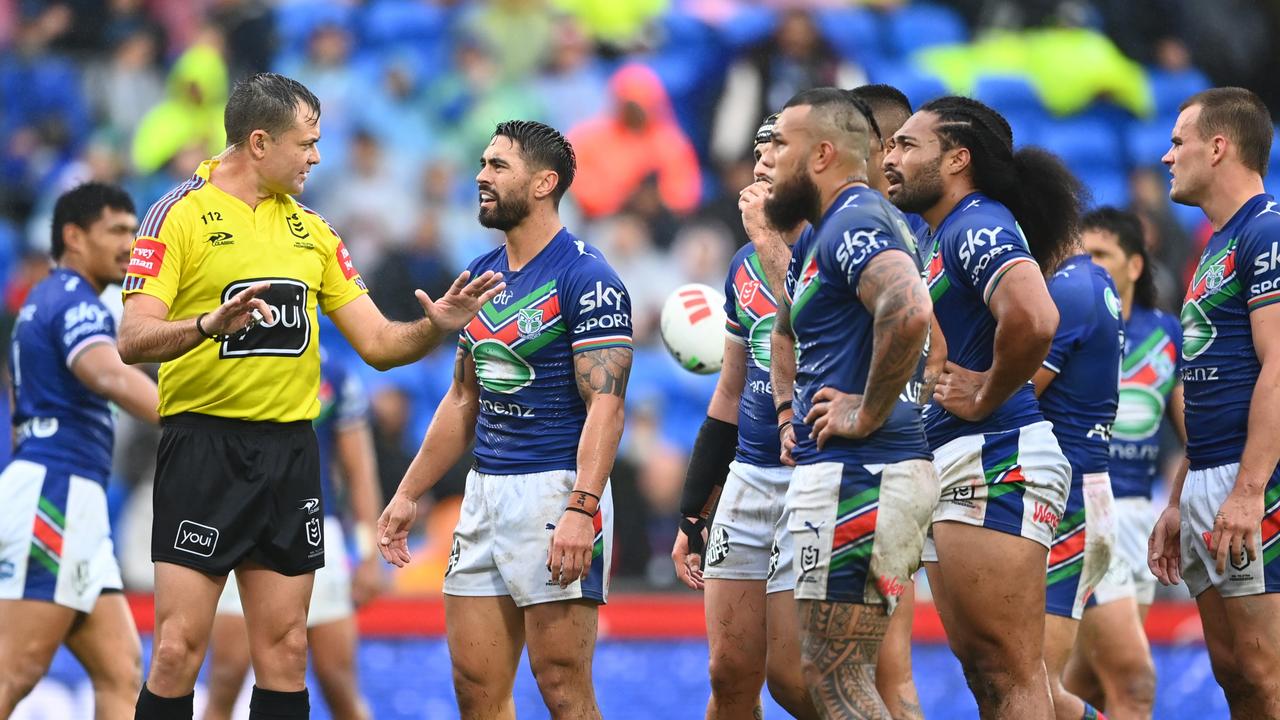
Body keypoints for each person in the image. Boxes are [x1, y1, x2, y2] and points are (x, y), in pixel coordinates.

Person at [117, 72, 502, 720]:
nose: (317, 156)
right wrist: (208, 325)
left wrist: (434, 329)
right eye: (308, 142)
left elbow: (379, 343)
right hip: (204, 448)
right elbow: (132, 338)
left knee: (288, 649)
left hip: (289, 454)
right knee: (179, 649)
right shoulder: (177, 215)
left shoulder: (313, 231)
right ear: (260, 142)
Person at [377, 120, 632, 720]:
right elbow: (463, 400)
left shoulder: (587, 277)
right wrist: (409, 493)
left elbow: (607, 406)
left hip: (554, 491)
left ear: (545, 183)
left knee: (563, 687)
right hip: (484, 492)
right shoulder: (481, 273)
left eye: (498, 166)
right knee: (474, 688)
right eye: (483, 163)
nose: (480, 176)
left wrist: (581, 509)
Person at [883, 95, 1084, 719]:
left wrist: (987, 389)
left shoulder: (977, 222)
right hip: (959, 458)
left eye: (907, 145)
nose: (891, 158)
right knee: (985, 674)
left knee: (1010, 670)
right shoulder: (935, 232)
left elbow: (1035, 315)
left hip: (996, 452)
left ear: (957, 160)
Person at [763, 87, 937, 718]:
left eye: (781, 143)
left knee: (840, 680)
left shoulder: (856, 218)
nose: (768, 156)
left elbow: (910, 308)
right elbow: (785, 331)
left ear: (822, 154)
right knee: (832, 674)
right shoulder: (825, 232)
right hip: (854, 475)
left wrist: (866, 410)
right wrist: (790, 412)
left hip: (863, 475)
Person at [671, 113, 817, 719]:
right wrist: (692, 510)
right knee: (729, 673)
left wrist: (764, 235)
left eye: (775, 152)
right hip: (751, 477)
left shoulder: (839, 242)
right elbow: (729, 393)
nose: (760, 167)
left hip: (816, 476)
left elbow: (814, 314)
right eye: (757, 154)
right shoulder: (741, 264)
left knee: (792, 680)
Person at [0, 183, 157, 720]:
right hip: (56, 494)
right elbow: (107, 373)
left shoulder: (49, 299)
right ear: (73, 236)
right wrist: (192, 421)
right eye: (117, 230)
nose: (131, 244)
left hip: (67, 495)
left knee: (120, 670)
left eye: (135, 231)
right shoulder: (71, 299)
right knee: (15, 670)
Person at [1148, 86, 1280, 718]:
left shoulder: (1268, 231)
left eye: (1179, 142)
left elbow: (1279, 365)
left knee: (1264, 670)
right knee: (1234, 675)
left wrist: (1249, 490)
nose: (1167, 157)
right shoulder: (1215, 245)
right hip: (1209, 476)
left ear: (1219, 146)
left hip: (1255, 479)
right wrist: (1180, 497)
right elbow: (1208, 385)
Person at [204, 353, 384, 720]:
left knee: (338, 682)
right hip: (239, 531)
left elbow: (359, 472)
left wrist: (368, 555)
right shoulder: (229, 361)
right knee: (225, 678)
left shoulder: (331, 374)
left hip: (316, 531)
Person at [1066, 208, 1183, 719]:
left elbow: (1195, 433)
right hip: (1091, 511)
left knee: (1085, 682)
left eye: (1102, 256)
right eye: (1082, 255)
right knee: (1133, 682)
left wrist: (1181, 501)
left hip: (1141, 521)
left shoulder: (1168, 333)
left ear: (1135, 266)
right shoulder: (1070, 325)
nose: (1090, 267)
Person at [1032, 236, 1124, 720]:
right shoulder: (1089, 281)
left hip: (1071, 502)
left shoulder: (1070, 289)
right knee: (1023, 683)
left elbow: (1014, 393)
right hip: (1070, 495)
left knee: (1038, 689)